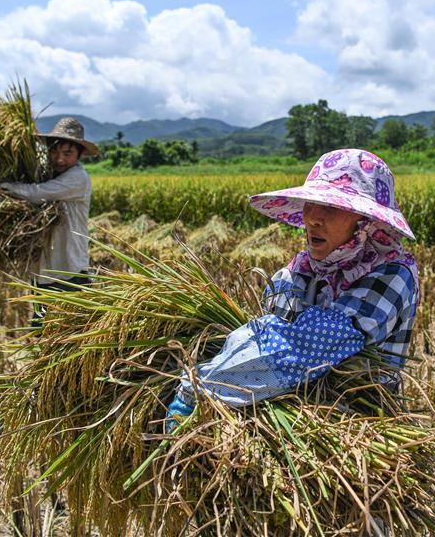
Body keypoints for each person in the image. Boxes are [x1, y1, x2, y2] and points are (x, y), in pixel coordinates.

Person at [166, 149, 419, 430]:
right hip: (289, 397)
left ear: (366, 223)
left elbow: (307, 345)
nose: (313, 219)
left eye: (332, 208)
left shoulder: (393, 275)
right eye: (311, 203)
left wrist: (201, 386)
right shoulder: (298, 270)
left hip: (363, 417)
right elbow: (268, 332)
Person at [0, 117, 98, 326]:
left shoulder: (77, 177)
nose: (59, 159)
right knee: (42, 329)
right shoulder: (47, 174)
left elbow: (38, 193)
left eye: (67, 154)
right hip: (43, 271)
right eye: (54, 152)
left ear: (79, 154)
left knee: (72, 332)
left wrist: (4, 187)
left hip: (69, 269)